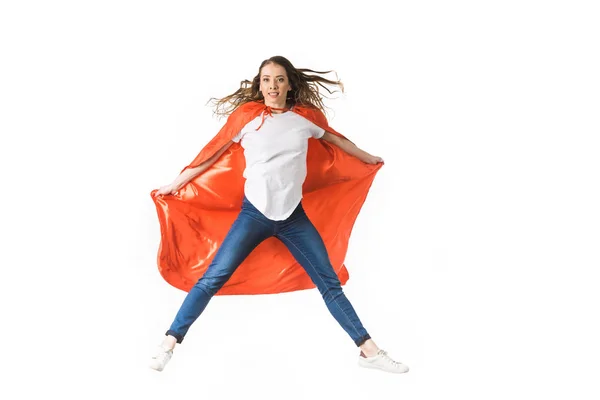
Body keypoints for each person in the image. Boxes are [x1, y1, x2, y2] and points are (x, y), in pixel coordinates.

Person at [149, 56, 409, 374]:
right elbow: (211, 152)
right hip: (253, 216)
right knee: (212, 279)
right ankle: (168, 344)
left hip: (293, 219)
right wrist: (175, 184)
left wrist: (372, 159)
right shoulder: (246, 117)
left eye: (279, 79)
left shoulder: (305, 119)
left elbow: (337, 140)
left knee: (329, 283)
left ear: (289, 84)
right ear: (259, 85)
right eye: (267, 80)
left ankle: (370, 352)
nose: (273, 86)